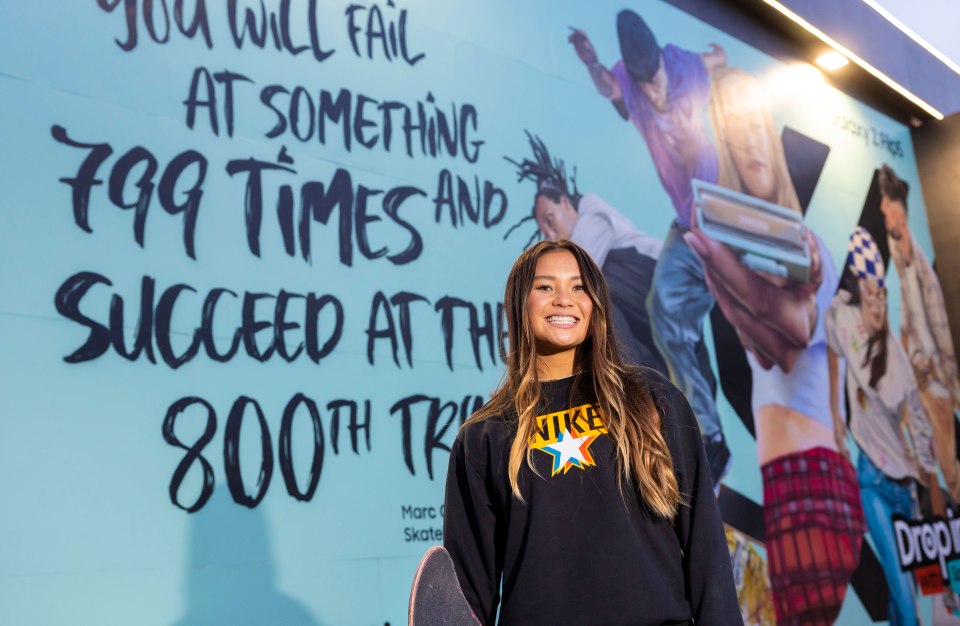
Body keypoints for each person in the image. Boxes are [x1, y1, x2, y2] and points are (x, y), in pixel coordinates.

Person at [442, 239, 742, 625]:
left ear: (596, 303)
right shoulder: (484, 435)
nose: (564, 299)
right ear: (519, 303)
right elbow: (469, 589)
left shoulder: (650, 398)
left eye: (579, 287)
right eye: (545, 286)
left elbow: (705, 546)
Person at [685, 66, 865, 624]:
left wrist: (791, 285)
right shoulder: (730, 242)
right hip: (788, 482)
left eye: (755, 123)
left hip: (818, 482)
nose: (749, 142)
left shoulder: (814, 253)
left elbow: (795, 334)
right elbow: (767, 346)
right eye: (731, 129)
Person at [569, 10, 732, 486]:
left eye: (659, 83)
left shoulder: (683, 65)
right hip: (687, 223)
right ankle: (711, 438)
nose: (657, 97)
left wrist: (720, 59)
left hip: (717, 209)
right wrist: (591, 61)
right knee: (664, 313)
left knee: (687, 312)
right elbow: (609, 86)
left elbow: (714, 58)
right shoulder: (628, 79)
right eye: (648, 88)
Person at [504, 131, 718, 383]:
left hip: (660, 284)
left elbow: (582, 279)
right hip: (654, 324)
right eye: (544, 231)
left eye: (550, 220)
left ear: (565, 202)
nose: (550, 234)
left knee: (596, 297)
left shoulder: (592, 221)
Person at [826, 226, 943, 626]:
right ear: (862, 297)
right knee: (907, 606)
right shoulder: (846, 321)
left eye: (881, 294)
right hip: (872, 482)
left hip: (905, 490)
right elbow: (832, 343)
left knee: (900, 600)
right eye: (870, 294)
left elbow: (923, 435)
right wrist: (836, 414)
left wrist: (930, 484)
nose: (876, 302)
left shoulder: (900, 366)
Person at [879, 163, 960, 500]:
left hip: (937, 381)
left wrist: (939, 374)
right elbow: (909, 323)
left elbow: (938, 332)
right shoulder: (902, 258)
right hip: (919, 376)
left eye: (887, 209)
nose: (884, 215)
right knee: (917, 453)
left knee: (947, 466)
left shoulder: (925, 272)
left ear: (899, 214)